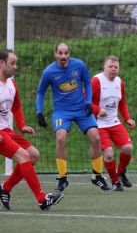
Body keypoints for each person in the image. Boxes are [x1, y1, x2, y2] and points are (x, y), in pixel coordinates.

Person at [36, 43, 111, 192]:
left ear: (69, 54)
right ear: (55, 54)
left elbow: (88, 83)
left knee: (96, 138)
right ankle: (62, 178)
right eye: (60, 53)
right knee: (60, 138)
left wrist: (88, 102)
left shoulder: (79, 65)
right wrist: (39, 112)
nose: (63, 56)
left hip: (81, 109)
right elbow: (41, 92)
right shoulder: (48, 72)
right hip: (62, 112)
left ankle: (97, 176)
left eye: (66, 53)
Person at [0, 49, 64, 210]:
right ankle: (42, 199)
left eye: (16, 63)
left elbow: (17, 106)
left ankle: (5, 189)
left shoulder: (11, 84)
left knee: (34, 155)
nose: (15, 67)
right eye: (12, 63)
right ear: (1, 64)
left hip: (6, 130)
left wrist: (21, 125)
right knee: (23, 156)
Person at [91, 55, 136, 191]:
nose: (113, 69)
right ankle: (115, 182)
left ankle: (121, 173)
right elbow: (84, 101)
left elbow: (122, 103)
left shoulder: (119, 82)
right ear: (104, 67)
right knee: (109, 153)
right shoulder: (96, 81)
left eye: (116, 67)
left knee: (128, 148)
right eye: (110, 66)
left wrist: (127, 118)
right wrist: (97, 109)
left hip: (114, 122)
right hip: (99, 124)